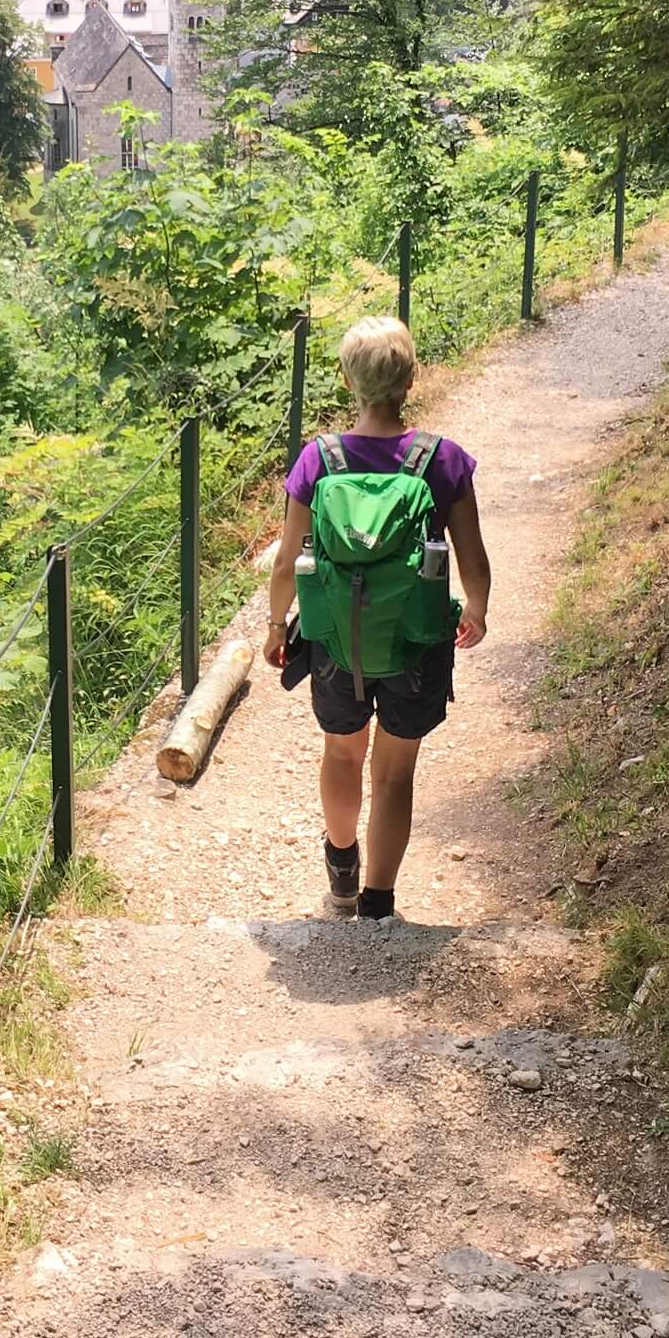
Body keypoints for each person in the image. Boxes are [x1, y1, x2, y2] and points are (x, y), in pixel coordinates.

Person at [264, 316, 491, 920]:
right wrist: (476, 611)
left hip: (338, 640)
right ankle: (378, 904)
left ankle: (342, 871)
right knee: (393, 773)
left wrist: (274, 625)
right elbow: (472, 558)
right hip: (416, 642)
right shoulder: (442, 461)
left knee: (342, 754)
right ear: (410, 380)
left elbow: (288, 559)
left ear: (347, 382)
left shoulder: (319, 460)